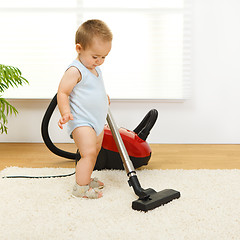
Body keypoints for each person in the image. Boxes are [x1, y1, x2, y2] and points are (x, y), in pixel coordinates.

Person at [57, 19, 112, 199]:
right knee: (87, 153)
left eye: (104, 57)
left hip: (96, 121)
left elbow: (93, 90)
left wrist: (104, 99)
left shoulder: (95, 69)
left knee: (94, 152)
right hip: (81, 121)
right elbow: (63, 92)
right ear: (79, 49)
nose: (99, 61)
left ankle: (85, 178)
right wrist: (66, 113)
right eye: (95, 56)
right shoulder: (75, 70)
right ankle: (80, 188)